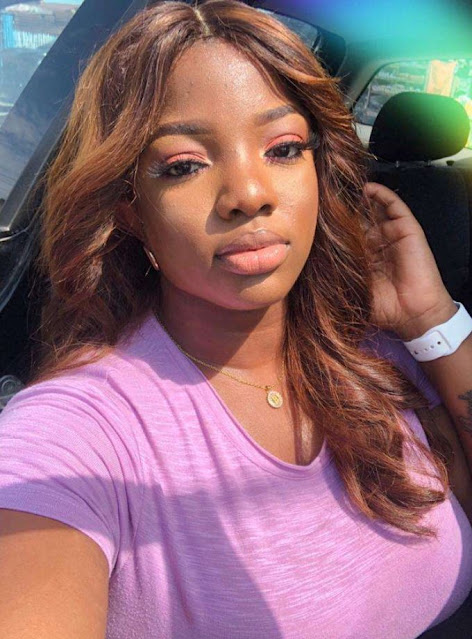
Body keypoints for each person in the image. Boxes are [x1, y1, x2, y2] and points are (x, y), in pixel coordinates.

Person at [0, 1, 471, 637]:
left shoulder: (378, 350)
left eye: (284, 149)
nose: (249, 194)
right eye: (184, 165)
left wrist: (431, 320)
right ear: (132, 210)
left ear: (319, 173)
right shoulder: (79, 432)